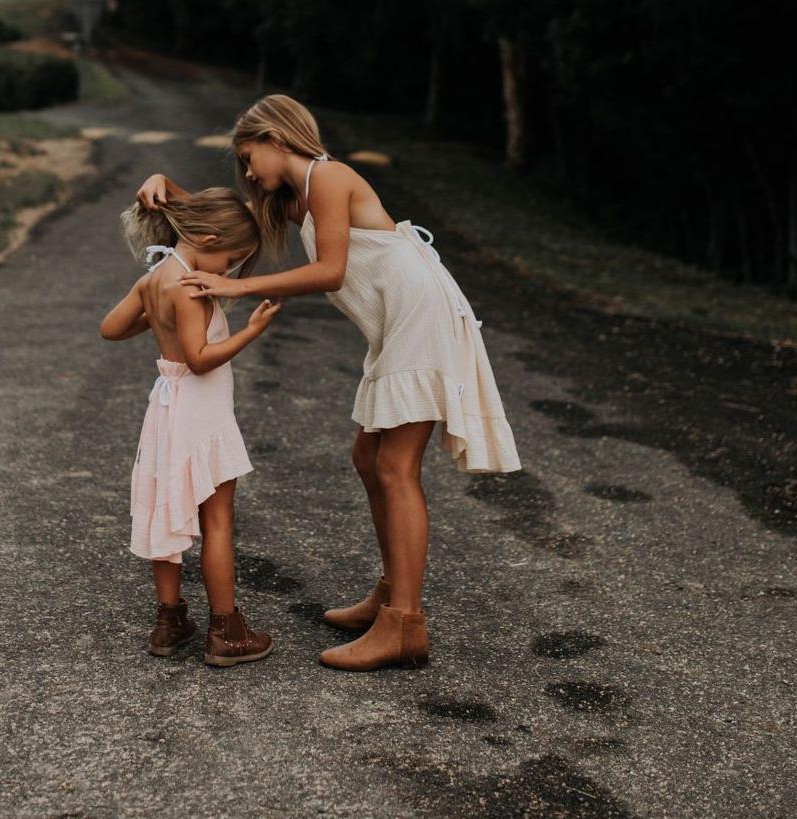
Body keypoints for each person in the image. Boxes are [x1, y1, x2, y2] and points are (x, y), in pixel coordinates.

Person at [134, 94, 521, 671]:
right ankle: (392, 594)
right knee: (368, 457)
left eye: (248, 156)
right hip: (394, 326)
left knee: (394, 466)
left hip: (420, 317)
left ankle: (405, 624)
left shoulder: (332, 177)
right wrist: (168, 183)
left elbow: (331, 270)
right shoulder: (296, 198)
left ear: (277, 139)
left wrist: (236, 290)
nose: (247, 171)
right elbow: (223, 228)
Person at [100, 187, 281, 666]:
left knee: (165, 511)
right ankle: (227, 631)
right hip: (199, 413)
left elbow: (111, 328)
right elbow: (200, 360)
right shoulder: (192, 287)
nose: (229, 272)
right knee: (216, 518)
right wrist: (249, 332)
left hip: (165, 412)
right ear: (206, 238)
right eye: (230, 259)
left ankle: (169, 621)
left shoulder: (158, 276)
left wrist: (160, 321)